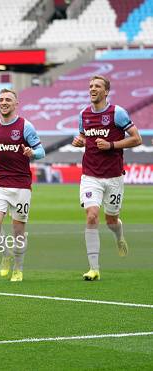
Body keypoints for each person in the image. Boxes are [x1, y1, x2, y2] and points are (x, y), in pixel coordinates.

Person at [71, 75, 142, 281]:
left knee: (111, 220)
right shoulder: (83, 114)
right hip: (90, 175)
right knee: (92, 215)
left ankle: (119, 237)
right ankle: (94, 268)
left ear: (106, 91)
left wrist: (111, 145)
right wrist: (80, 140)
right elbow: (84, 136)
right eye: (91, 86)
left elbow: (137, 139)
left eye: (97, 86)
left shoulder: (117, 113)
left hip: (113, 177)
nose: (92, 89)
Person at [0, 88, 45, 282]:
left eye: (8, 99)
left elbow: (41, 151)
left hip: (21, 186)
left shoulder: (25, 126)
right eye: (1, 99)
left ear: (16, 104)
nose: (4, 102)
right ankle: (5, 255)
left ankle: (18, 268)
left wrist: (32, 154)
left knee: (18, 231)